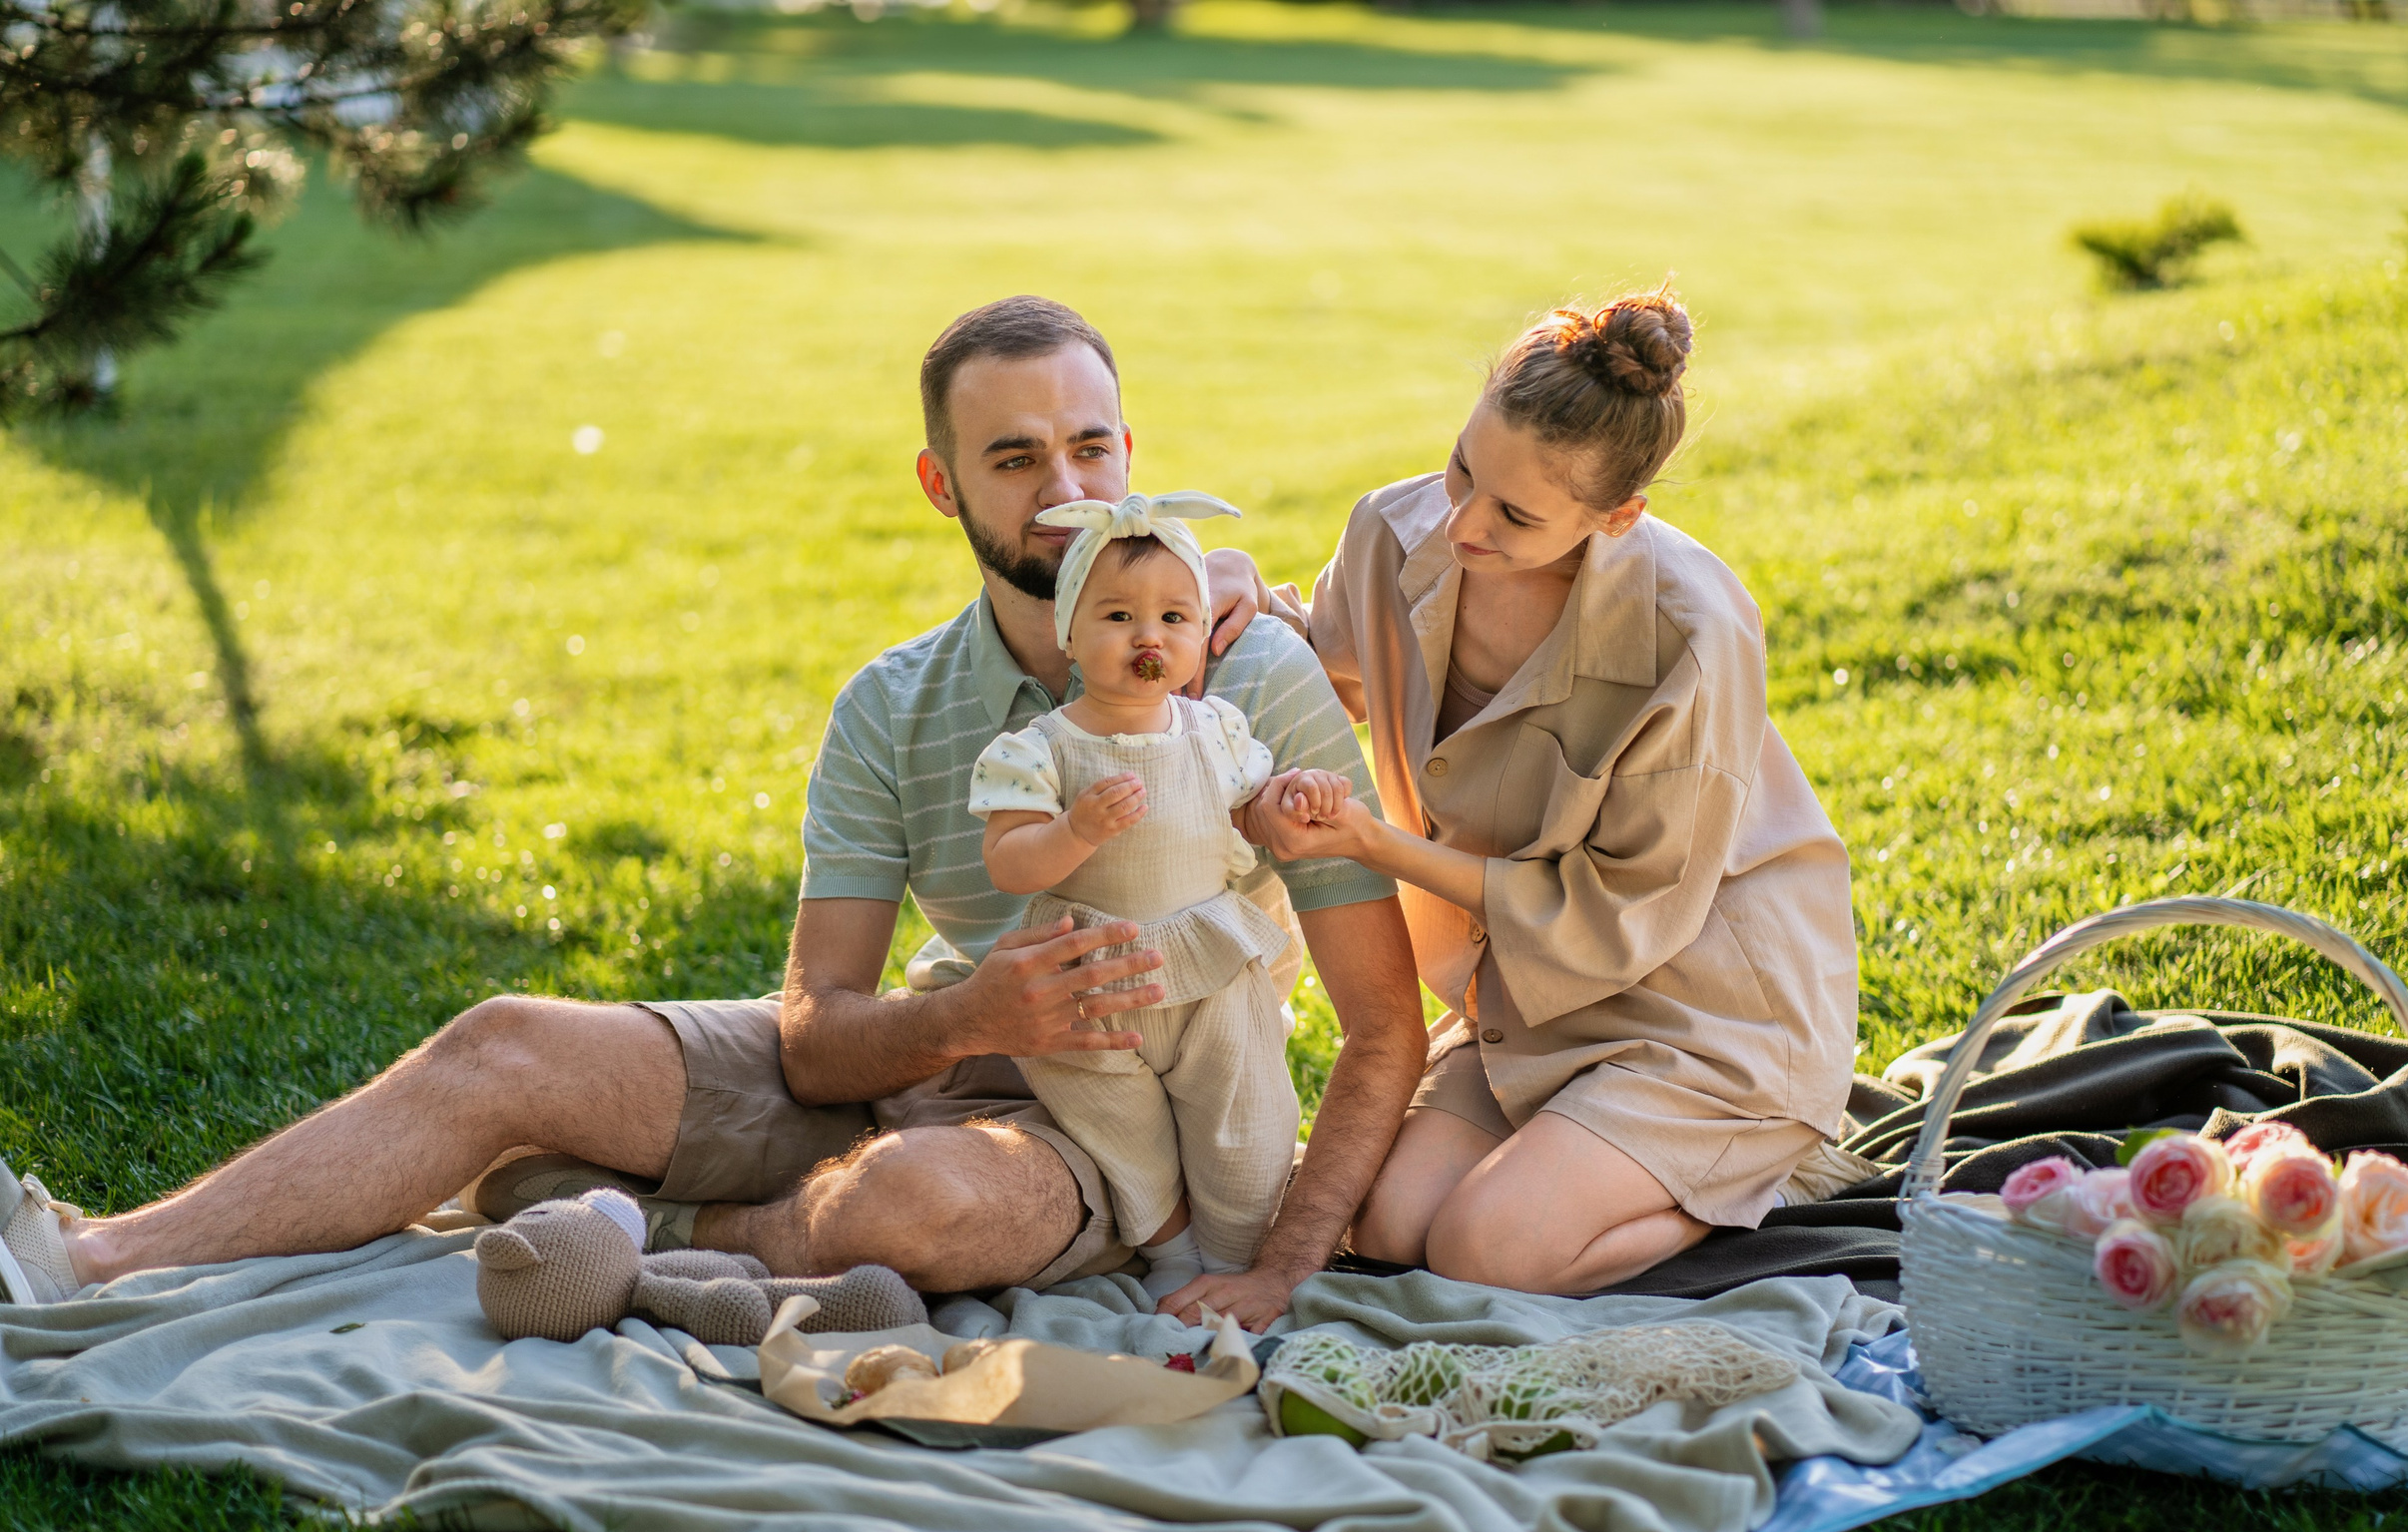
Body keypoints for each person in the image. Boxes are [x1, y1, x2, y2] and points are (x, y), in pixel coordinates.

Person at [0, 296, 1428, 1330]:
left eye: (1092, 448)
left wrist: (1281, 1263)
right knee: (503, 1040)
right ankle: (92, 1257)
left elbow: (1378, 1025)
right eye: (1013, 459)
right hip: (920, 1039)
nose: (1066, 493)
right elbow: (817, 1028)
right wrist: (964, 1016)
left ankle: (629, 1220)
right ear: (943, 484)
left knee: (911, 1206)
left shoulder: (1256, 673)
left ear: (1133, 451)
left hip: (1100, 1130)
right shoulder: (894, 702)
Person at [1231, 288, 1868, 1295]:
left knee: (1488, 1251)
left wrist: (1377, 848)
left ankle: (1758, 1173)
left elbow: (1625, 913)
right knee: (1390, 1228)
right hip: (1522, 1006)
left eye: (1514, 514)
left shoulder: (1689, 632)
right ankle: (1590, 1169)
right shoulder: (1396, 534)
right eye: (1461, 468)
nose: (1462, 522)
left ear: (1617, 516)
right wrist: (1232, 593)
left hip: (1700, 1011)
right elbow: (1329, 661)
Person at [972, 495, 1356, 1298]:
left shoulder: (1212, 729)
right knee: (1119, 1127)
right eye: (1117, 615)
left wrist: (1288, 798)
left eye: (1176, 616)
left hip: (1207, 962)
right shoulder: (1041, 748)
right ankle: (1176, 1256)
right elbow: (1009, 861)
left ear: (1199, 632)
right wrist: (1074, 830)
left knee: (1245, 1117)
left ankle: (1238, 1259)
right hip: (1089, 983)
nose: (1149, 636)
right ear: (1068, 633)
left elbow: (1249, 812)